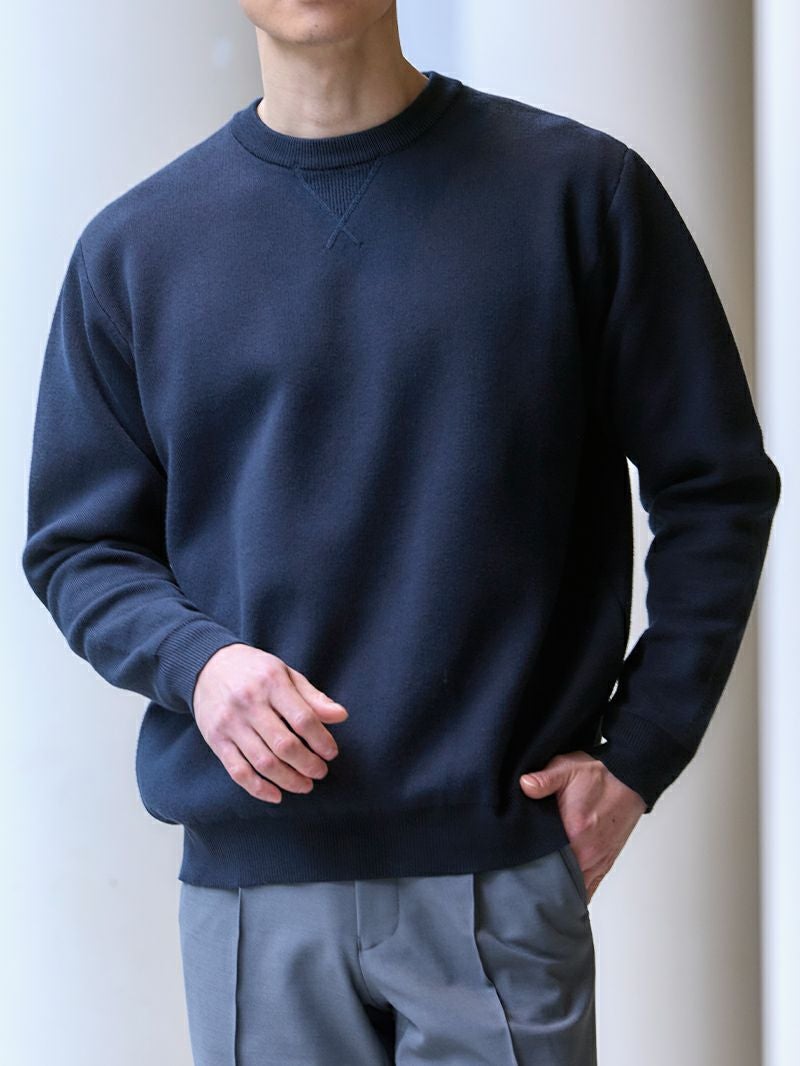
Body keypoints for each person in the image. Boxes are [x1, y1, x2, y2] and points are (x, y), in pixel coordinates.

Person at [21, 1, 781, 1063]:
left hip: (498, 875)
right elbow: (78, 545)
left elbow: (715, 488)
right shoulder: (135, 250)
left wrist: (640, 752)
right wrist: (198, 663)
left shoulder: (579, 194)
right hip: (254, 895)